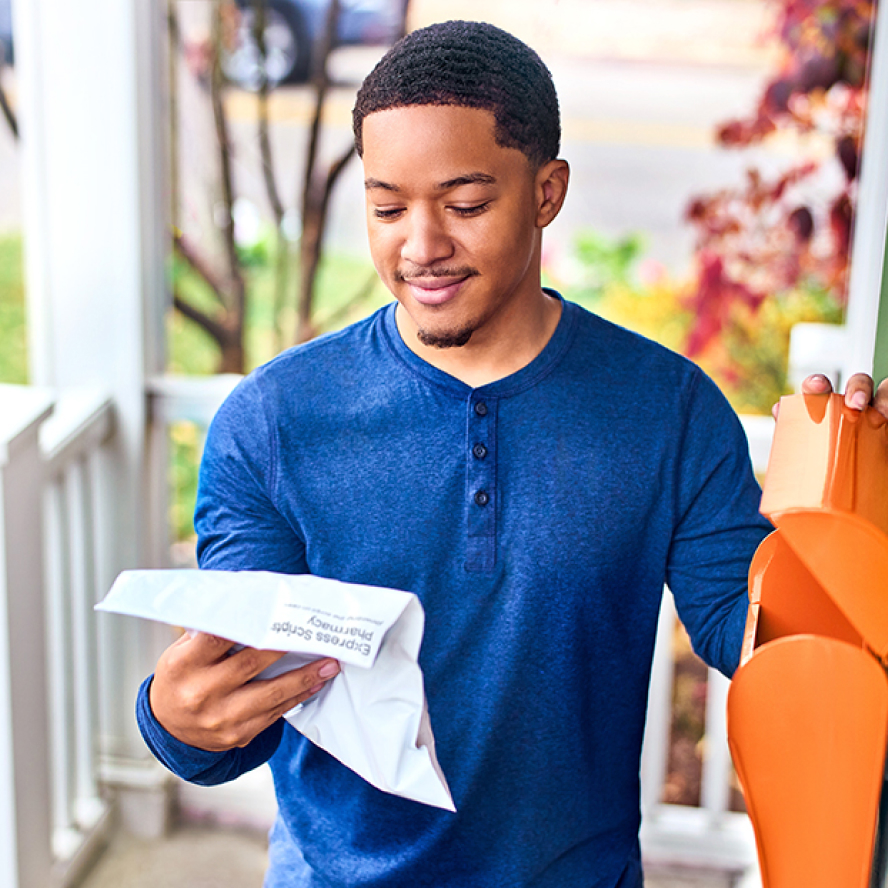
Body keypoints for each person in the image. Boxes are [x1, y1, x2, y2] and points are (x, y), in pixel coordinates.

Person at [138, 20, 888, 888]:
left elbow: (761, 643)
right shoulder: (272, 421)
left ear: (546, 192)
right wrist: (174, 721)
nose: (421, 247)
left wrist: (854, 516)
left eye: (464, 206)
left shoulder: (669, 411)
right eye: (387, 208)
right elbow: (239, 702)